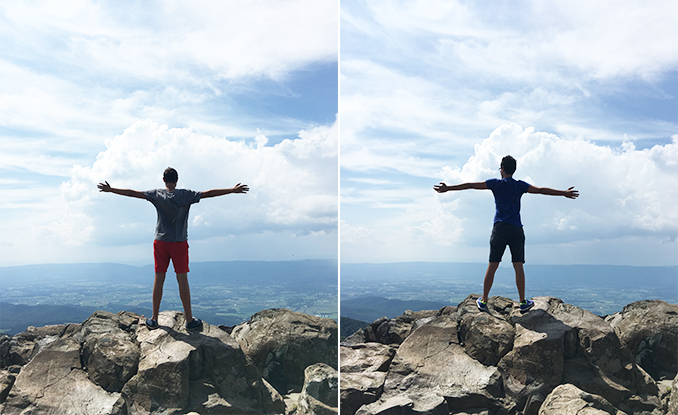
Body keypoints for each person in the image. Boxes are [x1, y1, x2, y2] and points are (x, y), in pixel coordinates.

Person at [97, 167, 249, 330]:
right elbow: (209, 193)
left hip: (160, 242)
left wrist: (111, 189)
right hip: (179, 243)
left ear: (164, 180)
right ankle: (189, 320)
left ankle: (154, 319)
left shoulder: (157, 194)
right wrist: (232, 191)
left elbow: (133, 193)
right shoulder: (185, 195)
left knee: (159, 278)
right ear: (177, 180)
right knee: (182, 280)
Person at [433, 155, 579, 312]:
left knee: (493, 265)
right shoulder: (520, 185)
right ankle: (523, 302)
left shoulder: (495, 184)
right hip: (516, 229)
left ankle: (484, 300)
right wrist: (563, 193)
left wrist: (448, 188)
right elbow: (541, 190)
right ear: (514, 170)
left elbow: (471, 185)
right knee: (518, 266)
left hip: (500, 228)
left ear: (502, 169)